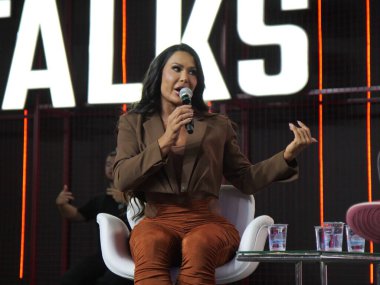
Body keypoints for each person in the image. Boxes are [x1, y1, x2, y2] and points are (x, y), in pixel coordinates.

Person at [113, 43, 317, 285]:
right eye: (176, 69)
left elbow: (246, 178)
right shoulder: (133, 122)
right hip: (157, 219)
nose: (184, 78)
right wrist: (165, 141)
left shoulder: (216, 125)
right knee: (150, 243)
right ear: (159, 75)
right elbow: (122, 178)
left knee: (198, 244)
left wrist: (287, 155)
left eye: (192, 72)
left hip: (206, 221)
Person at [56, 151, 133, 285]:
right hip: (104, 256)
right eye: (108, 164)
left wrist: (127, 199)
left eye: (114, 164)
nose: (110, 167)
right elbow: (77, 215)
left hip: (131, 255)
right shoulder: (101, 200)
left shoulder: (139, 196)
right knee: (69, 280)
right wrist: (61, 205)